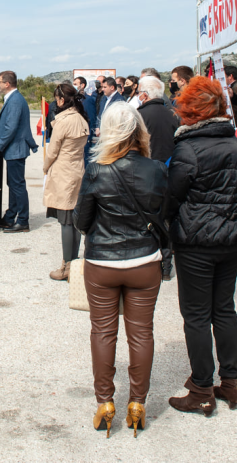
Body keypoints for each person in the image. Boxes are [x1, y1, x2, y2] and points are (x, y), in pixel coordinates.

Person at [74, 102, 167, 438]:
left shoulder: (97, 170)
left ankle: (105, 403)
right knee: (142, 332)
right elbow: (163, 213)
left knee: (103, 331)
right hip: (144, 261)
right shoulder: (157, 168)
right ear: (139, 130)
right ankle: (137, 405)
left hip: (102, 263)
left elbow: (81, 221)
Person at [165, 77, 237, 414]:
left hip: (197, 242)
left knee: (197, 316)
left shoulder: (188, 149)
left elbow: (172, 197)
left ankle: (201, 388)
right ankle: (231, 381)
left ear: (191, 112)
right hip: (231, 239)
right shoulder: (236, 144)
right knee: (223, 309)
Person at [44, 82, 90, 281]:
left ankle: (66, 265)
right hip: (78, 171)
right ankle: (74, 262)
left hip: (63, 173)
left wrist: (45, 167)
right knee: (76, 221)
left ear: (62, 100)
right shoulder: (81, 119)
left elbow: (52, 151)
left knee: (65, 222)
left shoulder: (63, 122)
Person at [0, 71, 38, 233]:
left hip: (16, 149)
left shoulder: (15, 100)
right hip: (13, 149)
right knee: (12, 184)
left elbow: (10, 127)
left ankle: (22, 220)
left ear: (7, 84)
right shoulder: (13, 98)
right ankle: (9, 216)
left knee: (17, 185)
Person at [135, 76, 178, 162]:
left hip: (146, 165)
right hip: (169, 165)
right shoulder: (173, 114)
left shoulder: (139, 115)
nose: (137, 95)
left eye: (138, 92)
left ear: (145, 95)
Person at [75, 76, 97, 150]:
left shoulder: (88, 100)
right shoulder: (74, 100)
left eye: (75, 84)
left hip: (85, 136)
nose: (74, 86)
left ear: (82, 85)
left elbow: (91, 118)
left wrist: (89, 137)